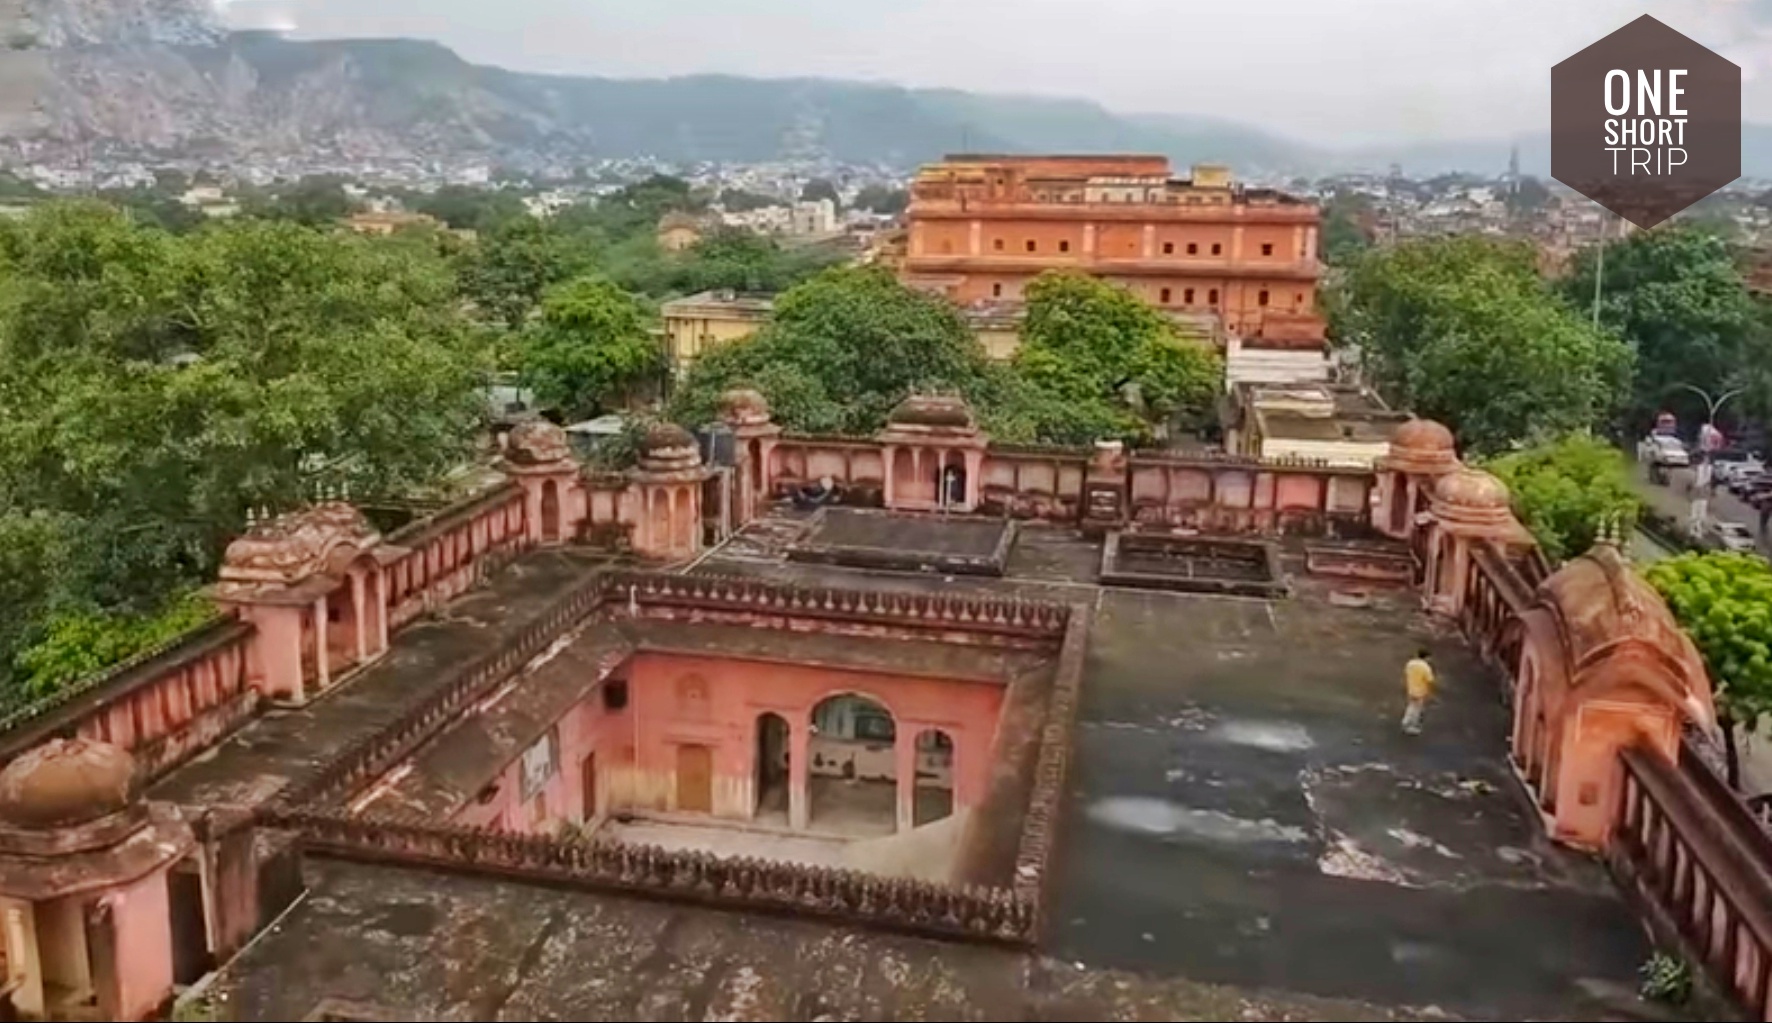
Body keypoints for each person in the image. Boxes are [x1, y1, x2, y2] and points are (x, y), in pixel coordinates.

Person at [1402, 649, 1435, 735]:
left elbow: (1407, 673)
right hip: (1420, 691)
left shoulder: (1410, 664)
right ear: (1426, 657)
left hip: (1411, 689)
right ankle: (1411, 726)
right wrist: (1430, 692)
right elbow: (1430, 681)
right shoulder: (1426, 667)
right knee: (1417, 709)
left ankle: (1406, 721)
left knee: (1411, 706)